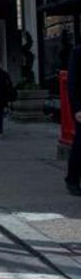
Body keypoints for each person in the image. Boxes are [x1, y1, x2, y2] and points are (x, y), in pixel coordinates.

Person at [65, 46, 81, 196]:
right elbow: (72, 84)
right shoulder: (77, 53)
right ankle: (72, 180)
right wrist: (77, 108)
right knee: (79, 145)